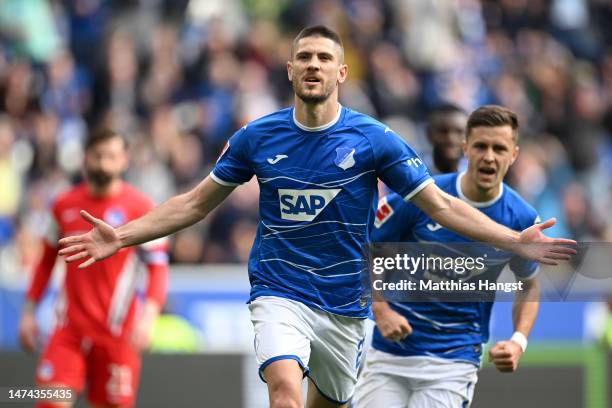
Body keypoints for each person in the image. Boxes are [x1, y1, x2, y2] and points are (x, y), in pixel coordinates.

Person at [57, 26, 573, 408]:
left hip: (345, 307)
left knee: (332, 402)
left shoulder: (374, 139)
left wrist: (511, 239)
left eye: (324, 58)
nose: (313, 65)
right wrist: (121, 236)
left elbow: (439, 204)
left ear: (340, 73)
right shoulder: (256, 137)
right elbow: (194, 203)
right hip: (280, 289)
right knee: (285, 391)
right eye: (303, 56)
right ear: (289, 69)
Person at [353, 105, 542, 407]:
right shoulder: (421, 195)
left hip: (453, 361)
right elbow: (367, 250)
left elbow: (529, 285)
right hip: (390, 353)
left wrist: (518, 340)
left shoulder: (520, 217)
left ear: (514, 155)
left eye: (499, 148)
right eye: (481, 146)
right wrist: (381, 308)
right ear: (465, 147)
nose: (489, 156)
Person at [18, 128, 169, 408]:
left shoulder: (143, 209)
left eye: (111, 156)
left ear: (125, 160)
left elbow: (158, 268)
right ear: (85, 158)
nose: (103, 164)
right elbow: (45, 262)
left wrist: (148, 320)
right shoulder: (63, 205)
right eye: (97, 156)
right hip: (68, 331)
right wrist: (28, 312)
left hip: (116, 334)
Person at [425, 102, 468, 174]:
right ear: (429, 134)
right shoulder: (415, 172)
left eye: (459, 132)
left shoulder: (475, 172)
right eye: (443, 131)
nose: (451, 139)